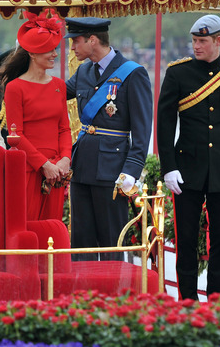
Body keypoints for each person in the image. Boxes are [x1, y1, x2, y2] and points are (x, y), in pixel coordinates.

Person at [157, 14, 220, 300]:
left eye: (202, 41)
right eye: (194, 40)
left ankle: (219, 303)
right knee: (187, 241)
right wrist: (169, 167)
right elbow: (165, 123)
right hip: (187, 169)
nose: (196, 46)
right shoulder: (178, 73)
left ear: (218, 40)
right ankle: (187, 302)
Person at [65, 17, 152, 261]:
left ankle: (113, 297)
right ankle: (82, 296)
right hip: (82, 167)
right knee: (81, 242)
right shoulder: (83, 71)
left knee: (111, 240)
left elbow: (142, 130)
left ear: (93, 40)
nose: (72, 47)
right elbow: (56, 94)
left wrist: (131, 172)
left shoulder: (133, 74)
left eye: (76, 41)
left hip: (113, 171)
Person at [0, 9, 72, 221]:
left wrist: (65, 159)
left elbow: (64, 127)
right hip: (29, 169)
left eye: (55, 49)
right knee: (26, 226)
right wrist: (43, 164)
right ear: (33, 53)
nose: (55, 54)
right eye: (49, 50)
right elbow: (15, 135)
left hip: (56, 170)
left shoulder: (59, 85)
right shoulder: (15, 87)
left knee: (52, 227)